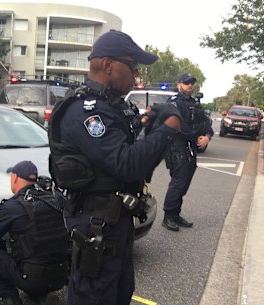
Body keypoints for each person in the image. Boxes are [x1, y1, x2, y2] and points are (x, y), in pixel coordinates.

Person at [48, 29, 182, 305]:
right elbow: (125, 163)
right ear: (108, 66)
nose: (136, 76)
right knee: (94, 298)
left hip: (116, 220)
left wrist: (152, 130)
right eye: (132, 67)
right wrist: (167, 131)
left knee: (120, 292)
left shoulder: (113, 108)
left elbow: (139, 167)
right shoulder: (86, 111)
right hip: (95, 223)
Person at [0, 160, 69, 305]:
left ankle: (10, 298)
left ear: (15, 178)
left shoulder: (13, 206)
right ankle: (41, 296)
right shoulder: (55, 199)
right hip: (60, 276)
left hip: (33, 278)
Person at [161, 73, 213, 231]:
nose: (189, 85)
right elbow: (177, 127)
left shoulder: (195, 103)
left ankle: (176, 213)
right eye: (186, 83)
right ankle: (168, 216)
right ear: (179, 85)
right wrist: (196, 136)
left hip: (190, 148)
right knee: (178, 183)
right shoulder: (174, 103)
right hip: (176, 147)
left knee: (184, 184)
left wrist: (207, 136)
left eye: (191, 83)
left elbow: (205, 123)